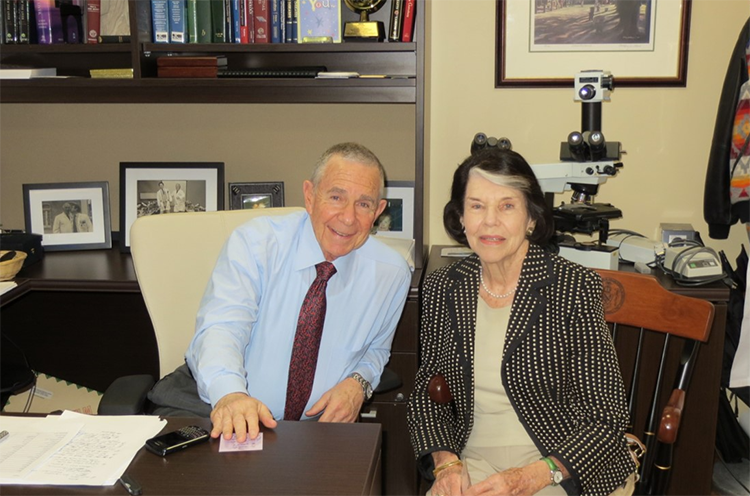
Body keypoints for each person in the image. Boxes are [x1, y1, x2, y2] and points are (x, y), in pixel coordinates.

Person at [407, 149, 636, 496]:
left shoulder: (573, 288)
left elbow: (608, 418)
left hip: (559, 463)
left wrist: (530, 477)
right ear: (461, 218)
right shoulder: (445, 287)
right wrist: (447, 464)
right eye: (477, 206)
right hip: (471, 460)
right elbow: (427, 394)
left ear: (531, 217)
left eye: (507, 205)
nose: (489, 221)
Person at [148, 142, 412, 443]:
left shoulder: (391, 274)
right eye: (336, 197)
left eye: (363, 204)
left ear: (378, 211)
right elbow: (222, 329)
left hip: (310, 431)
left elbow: (376, 352)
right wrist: (231, 395)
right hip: (212, 404)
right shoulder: (256, 244)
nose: (348, 217)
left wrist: (358, 384)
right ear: (310, 196)